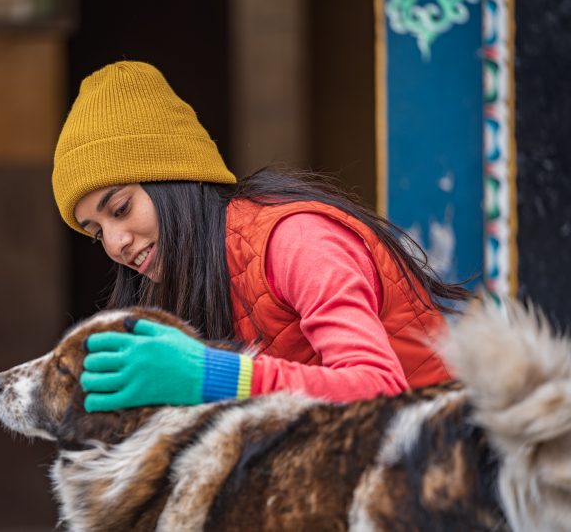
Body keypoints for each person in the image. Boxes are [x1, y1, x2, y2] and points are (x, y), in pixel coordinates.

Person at [51, 61, 470, 412]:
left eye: (121, 209)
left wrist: (212, 375)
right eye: (96, 232)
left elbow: (379, 387)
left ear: (174, 179)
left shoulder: (296, 240)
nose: (114, 243)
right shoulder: (186, 279)